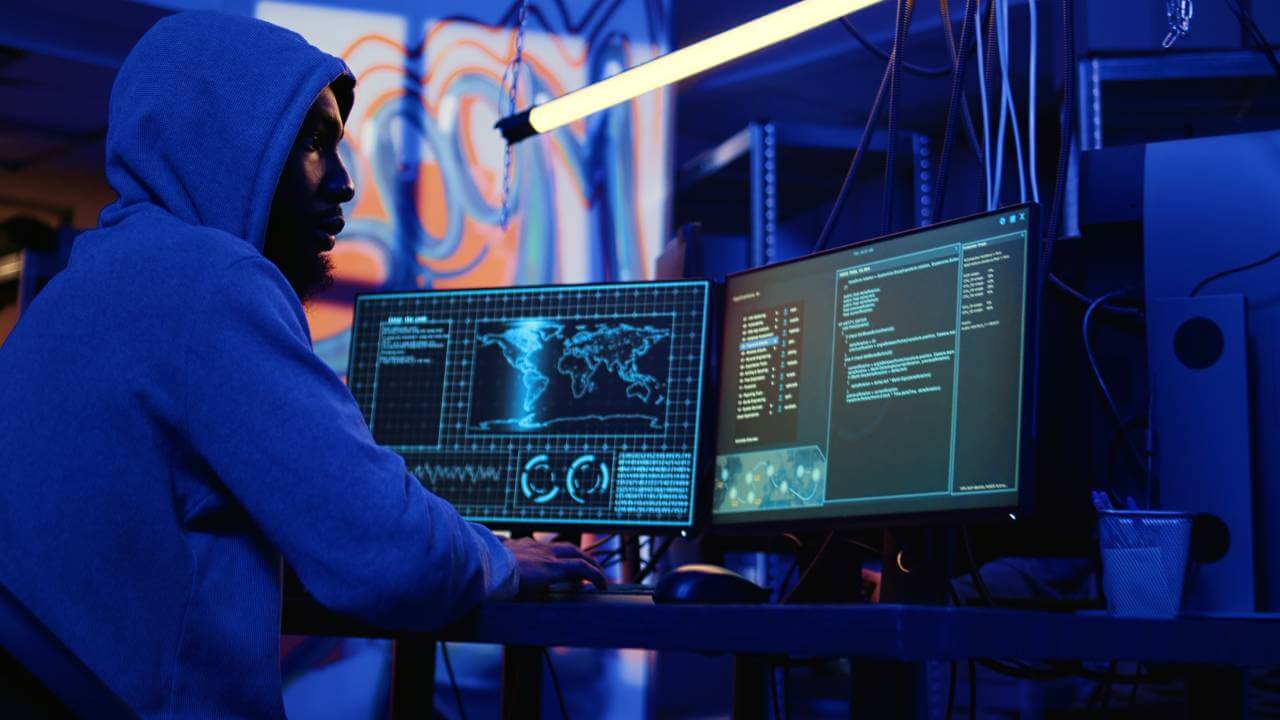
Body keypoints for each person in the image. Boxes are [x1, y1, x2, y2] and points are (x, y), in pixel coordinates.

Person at [0, 11, 603, 718]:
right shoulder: (212, 280)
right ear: (221, 141)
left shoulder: (79, 288)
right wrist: (498, 561)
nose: (344, 183)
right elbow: (392, 557)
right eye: (314, 142)